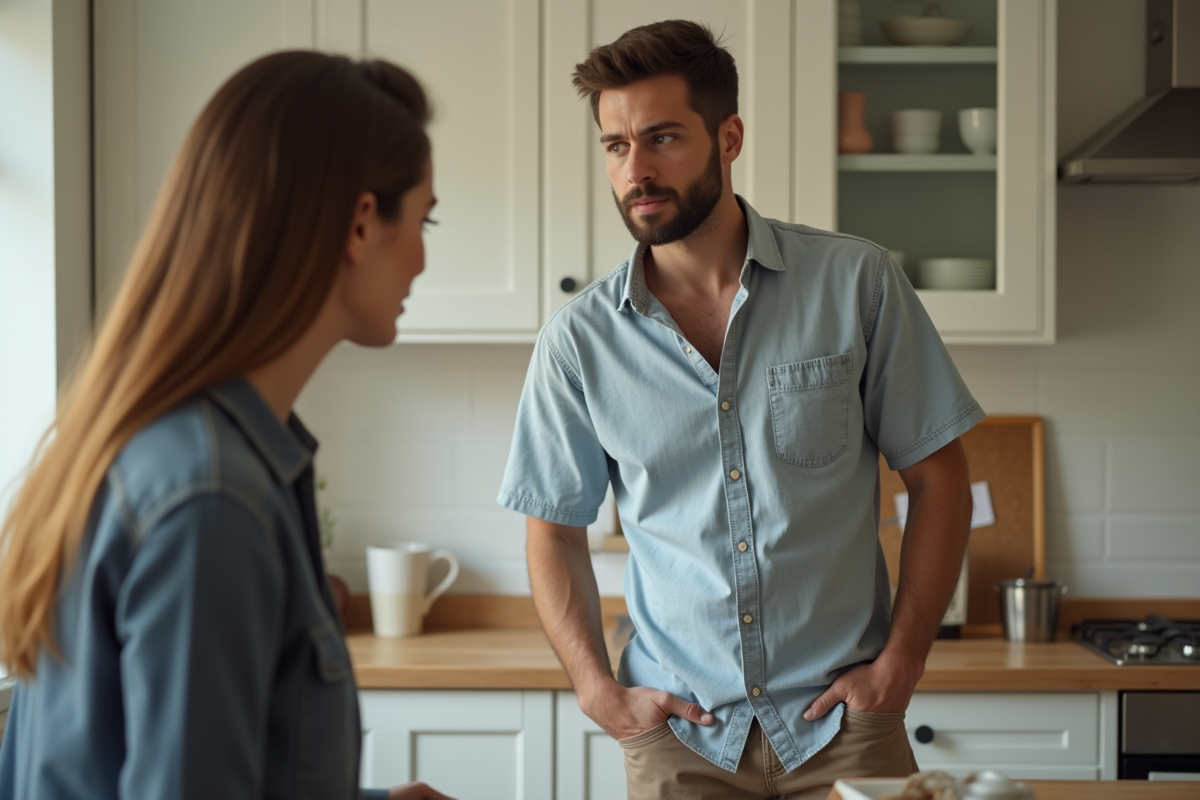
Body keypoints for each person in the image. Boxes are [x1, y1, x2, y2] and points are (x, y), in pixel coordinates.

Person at [497, 19, 983, 800]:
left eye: (662, 138)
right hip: (679, 738)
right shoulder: (578, 341)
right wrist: (596, 689)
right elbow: (552, 529)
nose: (636, 170)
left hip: (845, 727)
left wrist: (903, 662)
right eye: (616, 146)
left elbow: (941, 478)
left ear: (728, 138)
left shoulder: (856, 284)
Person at [0, 51, 454, 800]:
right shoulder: (212, 499)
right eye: (423, 218)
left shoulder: (161, 449)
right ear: (360, 224)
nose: (424, 258)